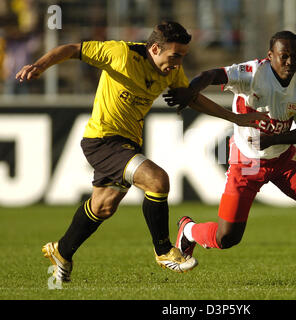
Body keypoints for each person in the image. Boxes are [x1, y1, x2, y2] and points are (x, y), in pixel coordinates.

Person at [15, 21, 268, 282]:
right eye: (175, 56)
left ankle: (62, 251)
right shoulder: (120, 54)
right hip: (102, 140)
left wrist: (235, 118)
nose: (179, 63)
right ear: (156, 48)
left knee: (103, 206)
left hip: (127, 142)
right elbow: (71, 49)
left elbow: (190, 97)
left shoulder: (170, 71)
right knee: (158, 180)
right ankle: (164, 251)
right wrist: (39, 66)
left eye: (183, 56)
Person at [164, 30, 296, 282]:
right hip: (247, 162)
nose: (290, 62)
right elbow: (211, 74)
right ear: (270, 56)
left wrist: (274, 139)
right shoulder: (252, 73)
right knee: (227, 238)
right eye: (284, 56)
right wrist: (190, 90)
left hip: (284, 160)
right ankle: (188, 230)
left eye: (295, 57)